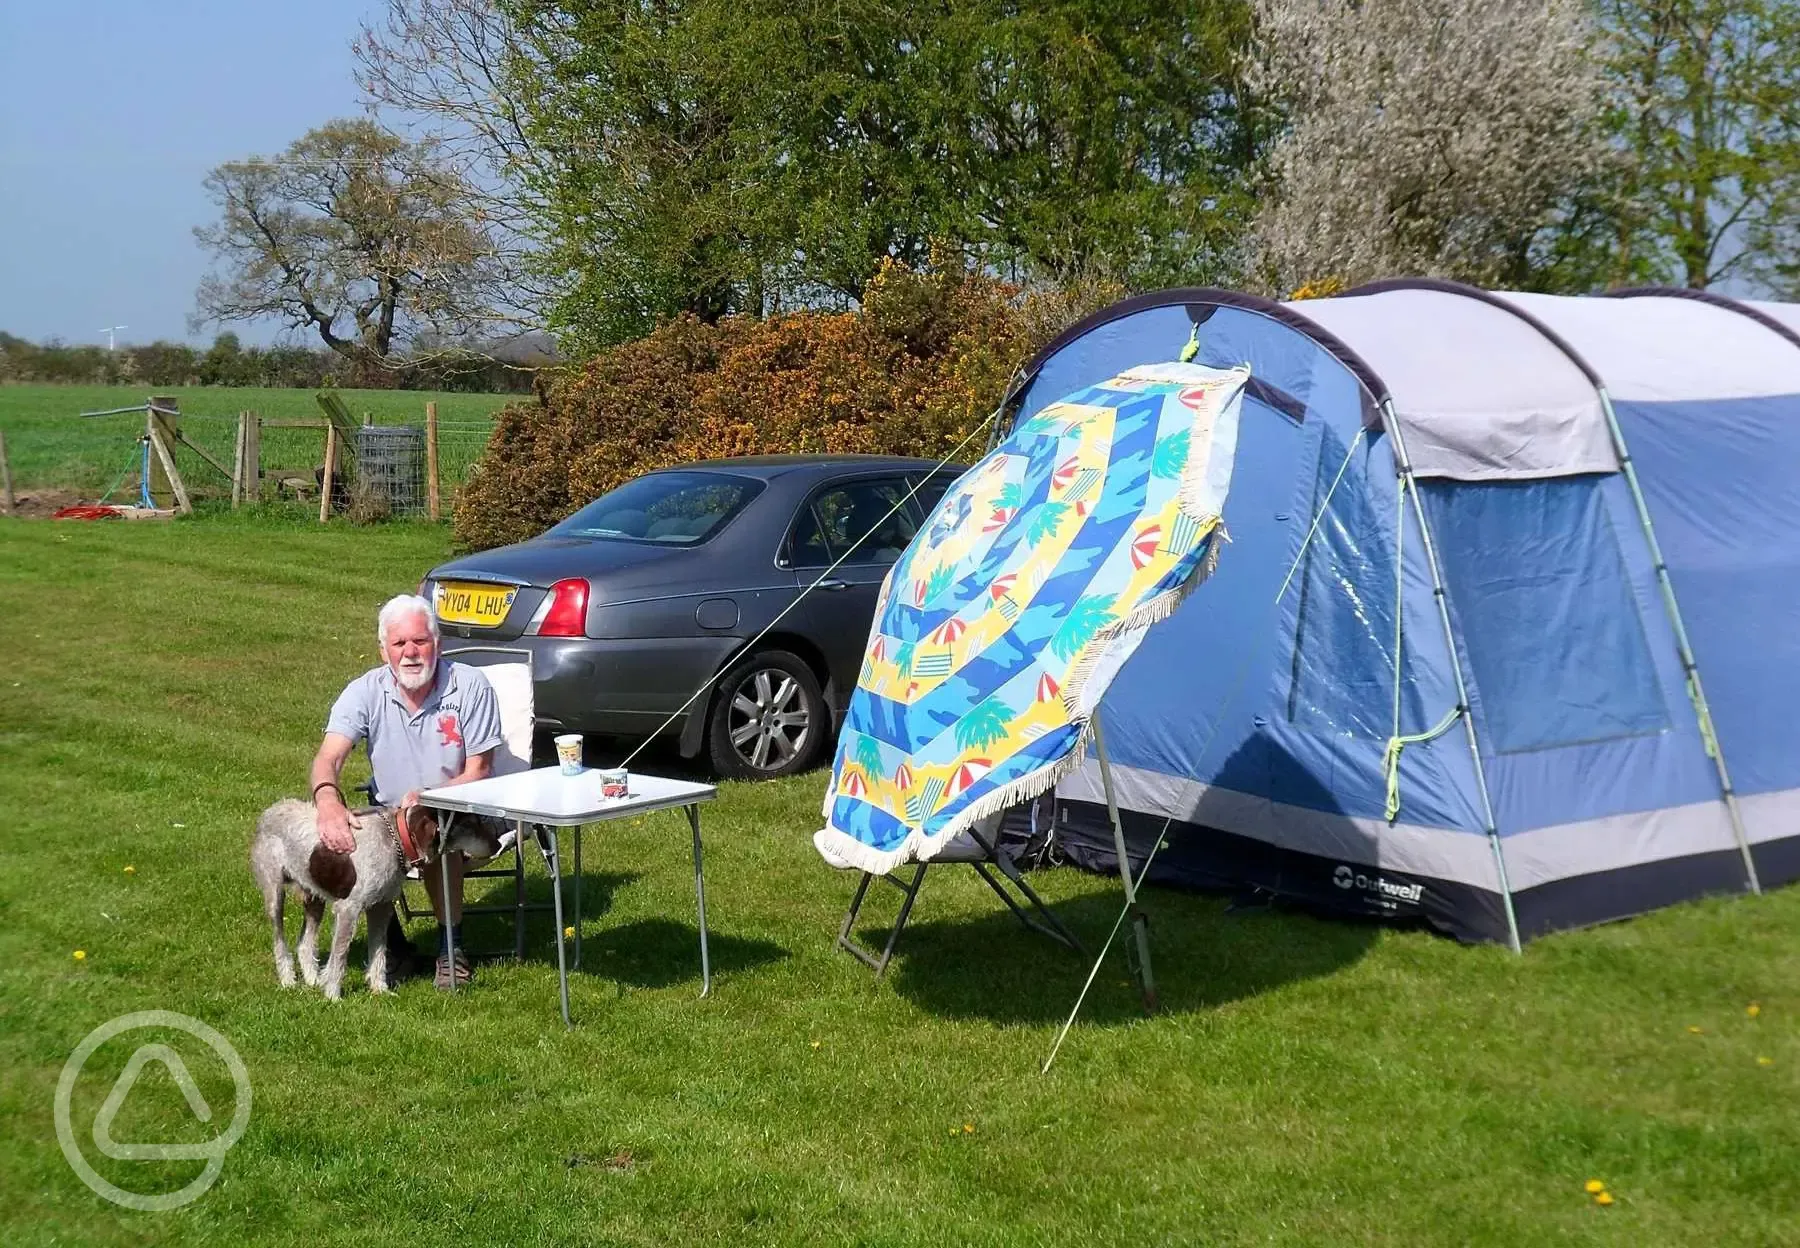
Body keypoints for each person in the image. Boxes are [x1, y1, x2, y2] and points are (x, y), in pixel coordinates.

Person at [310, 593, 503, 989]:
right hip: (389, 816)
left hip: (463, 807)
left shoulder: (469, 686)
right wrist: (327, 798)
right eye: (400, 644)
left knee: (434, 833)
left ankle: (451, 951)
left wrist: (431, 797)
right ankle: (394, 947)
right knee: (340, 835)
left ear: (439, 644)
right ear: (384, 652)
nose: (411, 653)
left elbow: (480, 771)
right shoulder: (365, 691)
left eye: (421, 641)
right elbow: (329, 756)